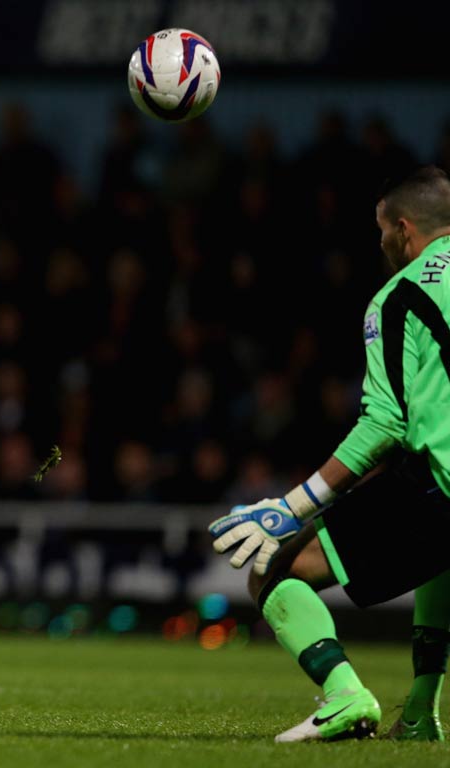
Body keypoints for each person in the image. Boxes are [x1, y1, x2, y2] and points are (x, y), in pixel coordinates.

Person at [209, 165, 450, 743]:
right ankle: (419, 711)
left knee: (275, 569)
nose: (382, 244)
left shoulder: (400, 297)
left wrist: (294, 505)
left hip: (444, 484)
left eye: (381, 231)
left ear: (403, 228)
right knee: (440, 557)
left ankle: (344, 696)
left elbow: (385, 423)